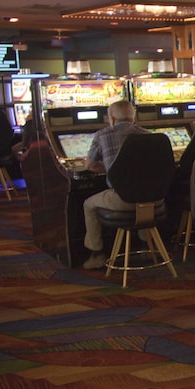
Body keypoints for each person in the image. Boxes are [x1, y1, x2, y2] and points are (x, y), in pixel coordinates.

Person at [81, 99, 148, 270]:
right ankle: (146, 246)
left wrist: (111, 167)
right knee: (145, 191)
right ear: (134, 117)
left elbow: (88, 165)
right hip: (154, 201)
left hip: (122, 200)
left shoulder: (102, 135)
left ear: (111, 118)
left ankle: (97, 254)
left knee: (88, 204)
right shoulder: (149, 134)